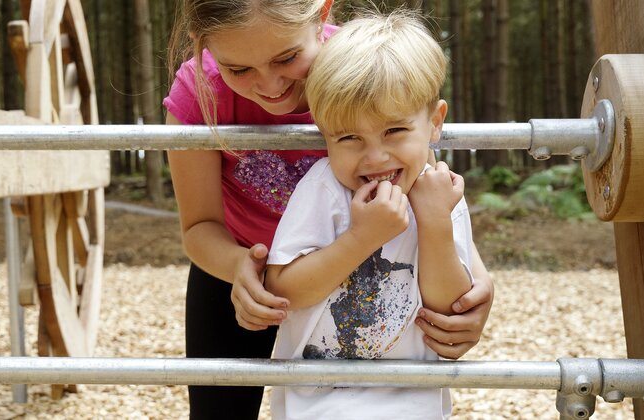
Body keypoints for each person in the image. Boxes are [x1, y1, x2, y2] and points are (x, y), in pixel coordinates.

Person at [164, 1, 494, 418]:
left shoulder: (362, 66)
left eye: (286, 58)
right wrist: (244, 271)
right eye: (239, 70)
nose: (268, 85)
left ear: (322, 16)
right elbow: (199, 226)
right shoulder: (200, 92)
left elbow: (422, 172)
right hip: (238, 267)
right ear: (203, 42)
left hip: (369, 262)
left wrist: (478, 282)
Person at [264, 10, 471, 419]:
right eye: (349, 138)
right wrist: (363, 238)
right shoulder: (325, 189)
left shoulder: (439, 193)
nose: (374, 157)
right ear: (325, 136)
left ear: (434, 122)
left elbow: (448, 309)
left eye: (394, 131)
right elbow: (284, 289)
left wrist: (434, 223)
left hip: (415, 398)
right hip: (320, 401)